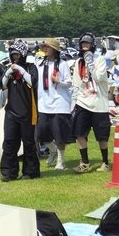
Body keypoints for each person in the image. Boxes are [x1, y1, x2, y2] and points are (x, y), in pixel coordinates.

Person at [70, 33, 112, 172]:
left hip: (99, 103)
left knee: (102, 136)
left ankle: (105, 162)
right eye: (83, 44)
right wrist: (74, 101)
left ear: (93, 45)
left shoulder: (100, 59)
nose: (85, 46)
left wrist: (90, 63)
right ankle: (85, 162)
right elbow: (76, 83)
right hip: (83, 101)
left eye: (87, 43)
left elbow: (99, 77)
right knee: (79, 133)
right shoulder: (78, 62)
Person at [35, 40, 78, 170]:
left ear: (54, 50)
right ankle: (52, 150)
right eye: (44, 47)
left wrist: (58, 82)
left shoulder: (63, 64)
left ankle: (61, 160)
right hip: (43, 103)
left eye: (48, 47)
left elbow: (69, 83)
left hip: (59, 103)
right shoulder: (39, 64)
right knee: (41, 133)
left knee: (59, 135)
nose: (45, 49)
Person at [0, 50, 39, 181]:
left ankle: (31, 171)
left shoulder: (31, 67)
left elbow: (33, 82)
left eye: (17, 54)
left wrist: (21, 70)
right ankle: (8, 172)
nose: (15, 57)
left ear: (23, 55)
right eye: (13, 55)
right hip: (11, 111)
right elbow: (2, 85)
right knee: (9, 142)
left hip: (28, 111)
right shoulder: (9, 69)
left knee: (29, 143)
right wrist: (8, 72)